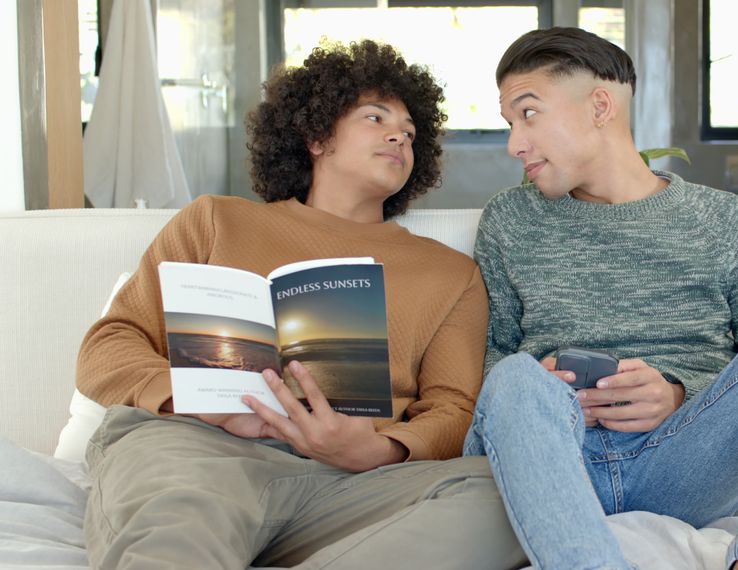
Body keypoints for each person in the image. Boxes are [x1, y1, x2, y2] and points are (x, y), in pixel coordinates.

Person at [76, 40, 525, 569]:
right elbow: (109, 345)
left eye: (409, 132)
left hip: (353, 483)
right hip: (200, 449)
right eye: (376, 117)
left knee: (509, 495)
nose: (399, 136)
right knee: (178, 523)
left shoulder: (450, 273)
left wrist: (378, 451)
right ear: (315, 136)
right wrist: (195, 402)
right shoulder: (217, 221)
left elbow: (454, 409)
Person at [463, 27, 738, 570]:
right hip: (555, 461)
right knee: (515, 374)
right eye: (510, 123)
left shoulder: (726, 220)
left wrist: (678, 395)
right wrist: (547, 386)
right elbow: (493, 367)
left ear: (600, 106)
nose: (515, 144)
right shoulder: (509, 219)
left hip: (687, 464)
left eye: (528, 114)